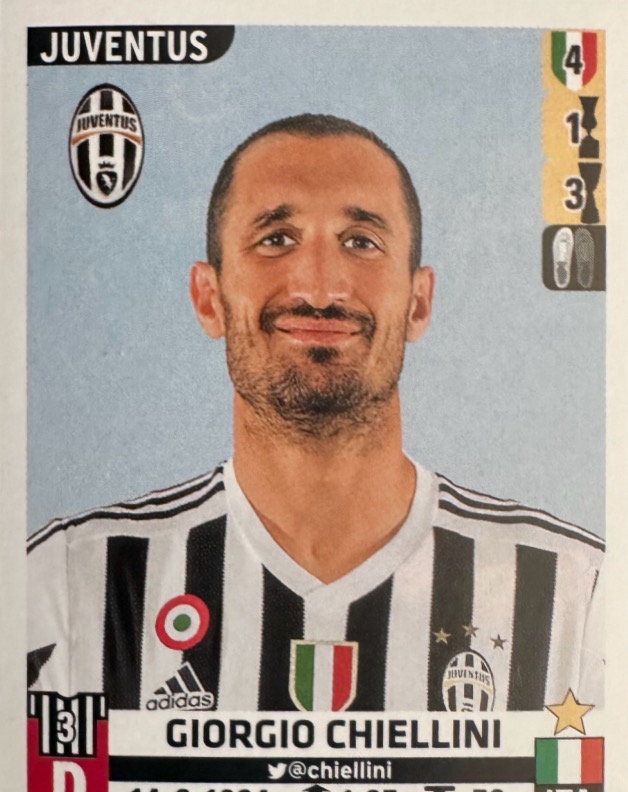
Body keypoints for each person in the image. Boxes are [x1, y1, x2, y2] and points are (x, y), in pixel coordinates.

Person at [27, 114, 604, 713]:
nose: (322, 289)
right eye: (276, 239)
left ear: (419, 303)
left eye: (362, 242)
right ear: (208, 299)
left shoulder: (576, 593)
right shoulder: (72, 585)